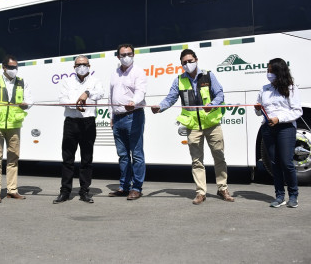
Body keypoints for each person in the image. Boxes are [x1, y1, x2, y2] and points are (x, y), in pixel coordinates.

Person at [151, 49, 234, 205]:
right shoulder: (179, 80)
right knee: (197, 161)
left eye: (190, 61)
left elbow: (220, 94)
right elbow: (170, 98)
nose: (188, 64)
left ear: (196, 59)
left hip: (212, 124)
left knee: (219, 156)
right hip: (193, 126)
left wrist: (213, 104)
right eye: (184, 62)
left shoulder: (208, 75)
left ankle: (222, 188)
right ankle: (200, 192)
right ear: (181, 64)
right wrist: (160, 107)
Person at [0, 55, 33, 203]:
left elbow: (30, 100)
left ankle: (12, 190)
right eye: (10, 67)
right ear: (4, 67)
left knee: (13, 159)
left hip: (14, 124)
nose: (13, 70)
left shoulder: (22, 82)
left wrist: (26, 104)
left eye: (15, 67)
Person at [53, 56, 104, 204]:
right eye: (78, 65)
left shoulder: (95, 81)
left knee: (86, 159)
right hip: (71, 123)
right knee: (68, 159)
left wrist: (87, 93)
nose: (81, 67)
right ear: (74, 67)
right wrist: (75, 105)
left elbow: (100, 93)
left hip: (88, 123)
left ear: (89, 65)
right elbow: (61, 99)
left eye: (84, 64)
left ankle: (84, 191)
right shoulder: (67, 81)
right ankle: (65, 191)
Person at [254, 58, 302, 208]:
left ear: (279, 72)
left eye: (271, 71)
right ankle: (279, 195)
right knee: (274, 163)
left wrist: (278, 119)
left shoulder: (291, 88)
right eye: (267, 71)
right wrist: (257, 108)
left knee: (287, 162)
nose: (268, 74)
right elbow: (258, 112)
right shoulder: (264, 89)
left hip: (285, 128)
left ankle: (293, 195)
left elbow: (297, 111)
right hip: (268, 128)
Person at [108, 44, 147, 200]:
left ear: (133, 55)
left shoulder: (138, 72)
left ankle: (136, 188)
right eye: (123, 54)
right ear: (118, 56)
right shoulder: (114, 73)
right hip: (117, 118)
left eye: (129, 54)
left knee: (136, 154)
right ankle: (124, 186)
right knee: (123, 155)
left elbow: (141, 92)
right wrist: (111, 116)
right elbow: (111, 97)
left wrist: (133, 101)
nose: (126, 57)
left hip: (133, 115)